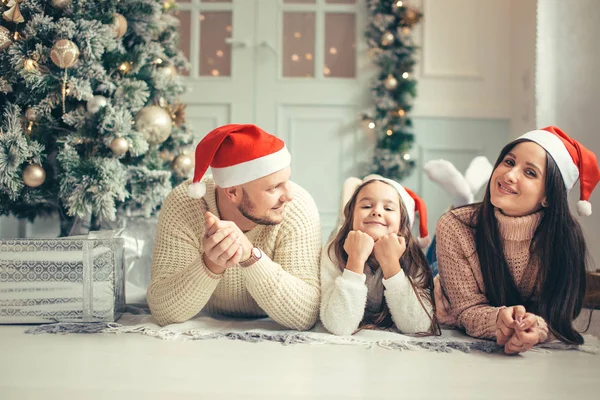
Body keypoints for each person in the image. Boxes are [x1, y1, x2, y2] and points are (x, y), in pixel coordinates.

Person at [433, 126, 599, 354]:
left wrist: (534, 327)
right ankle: (462, 196)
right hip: (442, 281)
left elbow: (559, 315)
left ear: (549, 196)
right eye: (509, 162)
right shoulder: (455, 225)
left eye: (530, 173)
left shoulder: (565, 238)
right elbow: (466, 309)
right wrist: (499, 320)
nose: (509, 175)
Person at [147, 124, 322, 330]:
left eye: (287, 181)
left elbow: (306, 314)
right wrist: (211, 263)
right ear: (232, 192)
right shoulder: (185, 204)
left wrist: (250, 257)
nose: (288, 195)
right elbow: (162, 311)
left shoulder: (297, 207)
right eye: (274, 187)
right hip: (203, 332)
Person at [320, 175, 437, 336]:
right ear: (352, 217)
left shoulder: (412, 256)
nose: (376, 212)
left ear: (403, 224)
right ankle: (341, 221)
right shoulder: (333, 251)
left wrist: (391, 264)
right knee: (338, 232)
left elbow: (418, 326)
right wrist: (355, 260)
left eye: (388, 208)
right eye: (366, 206)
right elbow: (339, 326)